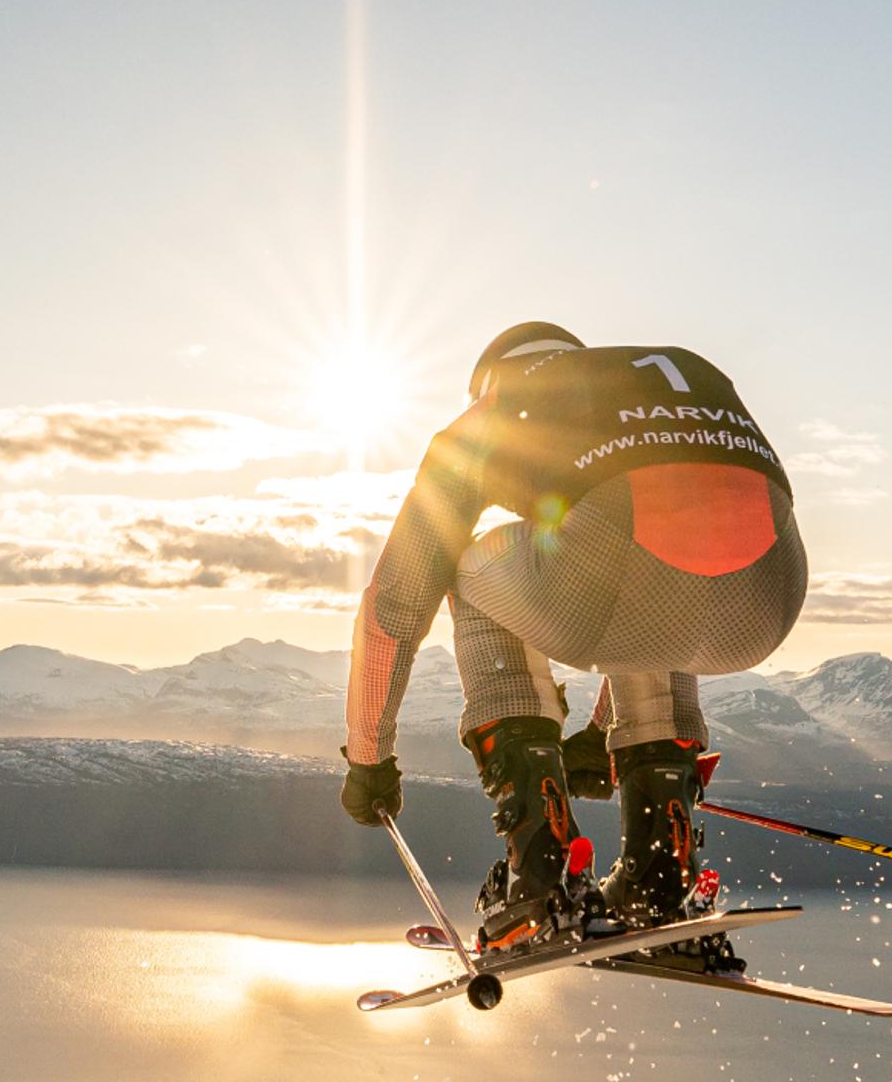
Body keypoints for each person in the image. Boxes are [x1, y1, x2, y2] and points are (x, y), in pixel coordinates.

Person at [339, 322, 808, 951]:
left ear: (488, 383)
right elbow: (670, 570)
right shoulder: (674, 378)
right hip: (770, 600)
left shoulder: (495, 411)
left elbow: (393, 606)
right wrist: (602, 735)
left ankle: (539, 871)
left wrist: (368, 759)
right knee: (645, 547)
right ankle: (660, 876)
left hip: (623, 572)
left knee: (465, 566)